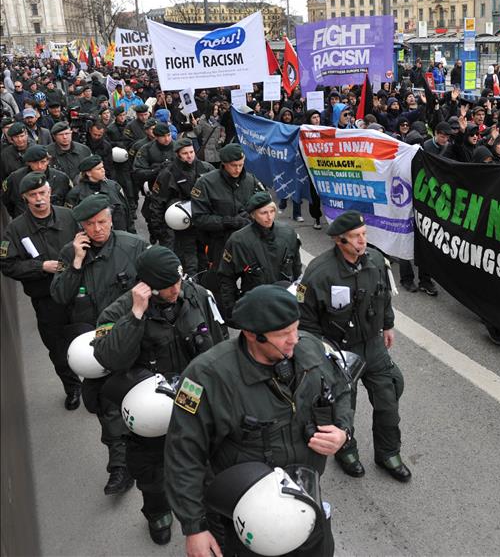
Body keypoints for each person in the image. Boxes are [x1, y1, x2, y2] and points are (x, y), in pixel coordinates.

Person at [163, 284, 352, 556]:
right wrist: (194, 528)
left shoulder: (308, 348)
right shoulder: (206, 376)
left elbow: (341, 388)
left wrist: (343, 430)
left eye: (296, 328)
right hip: (246, 509)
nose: (295, 339)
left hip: (305, 496)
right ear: (253, 335)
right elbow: (183, 454)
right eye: (284, 334)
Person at [91, 245, 228, 546]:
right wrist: (136, 316)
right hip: (151, 411)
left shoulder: (198, 295)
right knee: (153, 472)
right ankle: (157, 512)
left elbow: (220, 341)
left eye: (179, 281)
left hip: (195, 399)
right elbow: (109, 358)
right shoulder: (118, 311)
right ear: (147, 286)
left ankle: (205, 515)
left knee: (205, 461)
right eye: (168, 286)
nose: (177, 290)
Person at [298, 210, 411, 482]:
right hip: (339, 351)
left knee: (388, 400)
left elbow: (384, 296)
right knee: (343, 405)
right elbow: (307, 321)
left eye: (364, 235)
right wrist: (321, 353)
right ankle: (346, 450)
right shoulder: (319, 273)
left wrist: (388, 325)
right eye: (355, 237)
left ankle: (388, 453)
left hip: (373, 345)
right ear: (340, 241)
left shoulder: (374, 260)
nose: (362, 241)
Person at [50, 194, 149, 495]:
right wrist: (76, 263)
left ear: (110, 219)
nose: (97, 229)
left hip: (133, 339)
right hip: (94, 348)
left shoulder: (133, 246)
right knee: (106, 407)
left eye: (102, 222)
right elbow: (59, 295)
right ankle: (119, 468)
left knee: (141, 401)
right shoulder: (71, 253)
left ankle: (144, 460)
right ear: (81, 227)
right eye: (90, 224)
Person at [0, 171, 81, 409]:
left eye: (43, 192)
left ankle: (97, 385)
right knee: (57, 347)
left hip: (79, 293)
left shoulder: (69, 217)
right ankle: (72, 387)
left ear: (49, 192)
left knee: (90, 338)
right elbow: (7, 264)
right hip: (47, 299)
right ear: (25, 198)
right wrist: (40, 267)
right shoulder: (16, 229)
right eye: (33, 194)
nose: (39, 198)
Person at [217, 192, 302, 320]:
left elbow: (297, 270)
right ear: (253, 215)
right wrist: (233, 310)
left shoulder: (287, 233)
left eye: (272, 211)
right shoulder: (239, 241)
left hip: (285, 302)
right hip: (256, 306)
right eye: (263, 213)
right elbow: (226, 277)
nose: (269, 217)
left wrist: (300, 300)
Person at [191, 143, 265, 274]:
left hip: (247, 241)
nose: (238, 169)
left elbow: (263, 205)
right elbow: (199, 218)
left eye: (241, 165)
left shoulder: (250, 180)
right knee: (221, 283)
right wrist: (229, 221)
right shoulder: (206, 183)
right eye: (233, 165)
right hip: (219, 243)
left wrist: (249, 216)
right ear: (224, 163)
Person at [148, 138, 214, 276]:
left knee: (205, 262)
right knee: (188, 264)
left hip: (203, 225)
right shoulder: (168, 173)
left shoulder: (206, 169)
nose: (189, 156)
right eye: (185, 153)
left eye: (191, 152)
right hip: (179, 228)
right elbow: (157, 203)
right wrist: (159, 230)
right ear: (178, 154)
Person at [66, 155, 135, 233]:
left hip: (119, 235)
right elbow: (71, 220)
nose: (103, 170)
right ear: (88, 173)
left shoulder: (114, 186)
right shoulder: (75, 193)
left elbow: (127, 211)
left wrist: (132, 232)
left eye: (103, 167)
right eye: (99, 169)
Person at [1, 144, 73, 218]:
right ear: (28, 163)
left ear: (48, 161)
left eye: (43, 162)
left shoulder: (61, 178)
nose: (39, 166)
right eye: (35, 163)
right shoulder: (15, 179)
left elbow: (69, 201)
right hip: (26, 223)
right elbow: (7, 201)